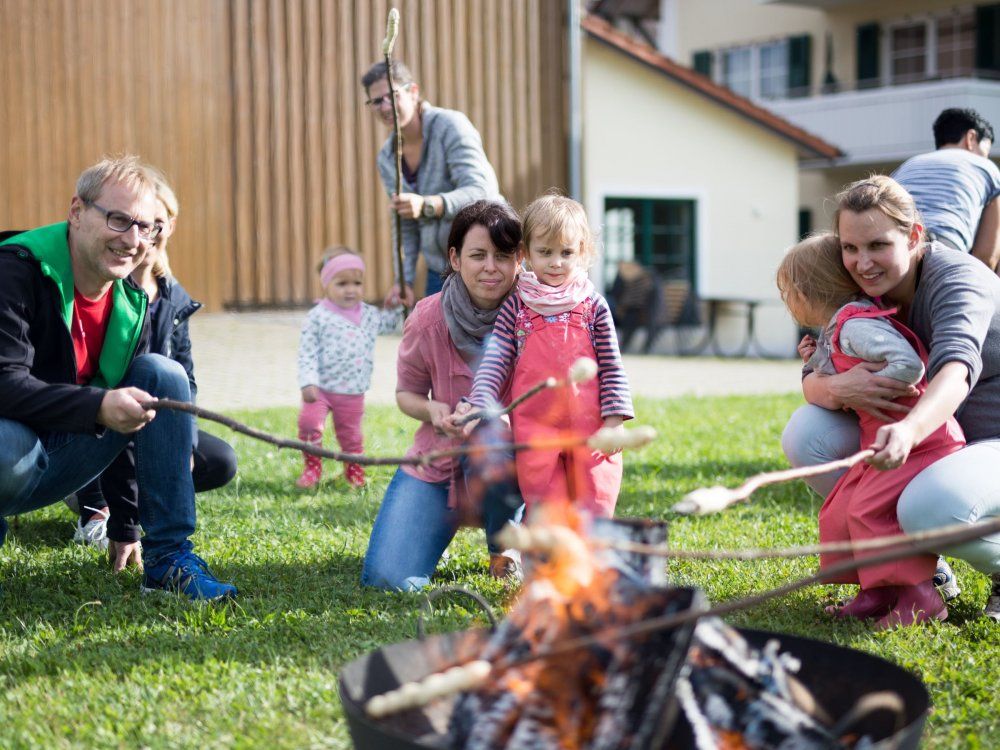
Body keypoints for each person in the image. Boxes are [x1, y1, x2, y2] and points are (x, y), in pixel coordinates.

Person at [0, 155, 236, 600]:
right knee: (7, 443)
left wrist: (125, 525)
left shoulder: (130, 300)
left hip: (56, 457)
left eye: (145, 227)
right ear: (76, 211)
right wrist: (98, 405)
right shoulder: (14, 270)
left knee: (162, 374)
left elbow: (132, 417)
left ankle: (167, 561)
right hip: (11, 452)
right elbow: (4, 382)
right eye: (118, 220)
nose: (132, 240)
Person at [781, 175, 1000, 622]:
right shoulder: (864, 290)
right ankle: (915, 574)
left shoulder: (958, 278)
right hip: (936, 441)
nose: (862, 262)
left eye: (878, 245)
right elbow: (817, 369)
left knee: (928, 506)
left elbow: (956, 369)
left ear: (914, 236)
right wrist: (834, 388)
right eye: (850, 247)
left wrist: (908, 430)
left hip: (985, 440)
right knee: (807, 435)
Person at [69, 174, 239, 555]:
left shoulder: (175, 297)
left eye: (156, 225)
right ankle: (93, 506)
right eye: (139, 224)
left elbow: (186, 377)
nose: (147, 235)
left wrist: (185, 444)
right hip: (108, 416)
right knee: (109, 431)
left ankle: (148, 504)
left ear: (169, 226)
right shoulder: (110, 285)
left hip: (156, 419)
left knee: (219, 460)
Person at [361, 200, 525, 591]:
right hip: (440, 463)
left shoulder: (538, 315)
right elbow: (407, 394)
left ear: (520, 260)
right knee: (387, 580)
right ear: (454, 258)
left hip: (518, 471)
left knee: (489, 434)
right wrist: (432, 409)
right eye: (478, 255)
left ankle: (506, 548)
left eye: (503, 256)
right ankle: (437, 530)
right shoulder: (427, 317)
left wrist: (502, 421)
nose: (490, 267)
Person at [457, 195, 634, 518]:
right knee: (545, 505)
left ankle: (594, 548)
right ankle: (549, 548)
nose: (556, 262)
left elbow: (612, 366)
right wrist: (479, 401)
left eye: (566, 253)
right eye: (545, 252)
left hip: (591, 426)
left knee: (596, 500)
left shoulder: (593, 305)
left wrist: (614, 420)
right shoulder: (517, 306)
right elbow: (496, 360)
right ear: (526, 253)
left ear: (582, 251)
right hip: (536, 428)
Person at [361, 60, 501, 304]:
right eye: (376, 101)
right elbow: (405, 222)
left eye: (391, 96)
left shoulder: (450, 126)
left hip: (487, 260)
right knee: (434, 328)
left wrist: (428, 205)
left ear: (413, 92)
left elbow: (482, 192)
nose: (385, 106)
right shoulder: (387, 158)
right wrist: (404, 280)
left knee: (495, 330)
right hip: (440, 269)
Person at [295, 245, 401, 488]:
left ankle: (354, 471)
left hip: (352, 390)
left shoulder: (369, 314)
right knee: (309, 425)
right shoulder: (318, 317)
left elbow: (390, 325)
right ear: (326, 285)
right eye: (342, 284)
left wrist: (396, 305)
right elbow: (307, 353)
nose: (351, 289)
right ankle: (312, 468)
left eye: (357, 283)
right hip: (320, 389)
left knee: (351, 435)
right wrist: (308, 382)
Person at [892, 108, 1000, 270]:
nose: (985, 157)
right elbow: (986, 257)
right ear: (971, 138)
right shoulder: (986, 168)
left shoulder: (907, 166)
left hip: (893, 246)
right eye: (985, 151)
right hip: (942, 250)